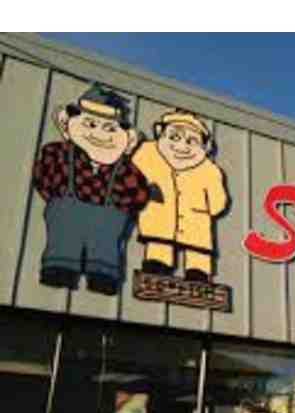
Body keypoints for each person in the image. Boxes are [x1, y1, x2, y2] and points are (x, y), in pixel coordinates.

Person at [33, 84, 150, 295]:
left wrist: (122, 207)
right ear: (66, 123)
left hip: (107, 233)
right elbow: (43, 179)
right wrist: (56, 198)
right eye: (91, 124)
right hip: (65, 224)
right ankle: (59, 270)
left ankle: (102, 277)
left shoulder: (125, 169)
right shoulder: (57, 153)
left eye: (110, 128)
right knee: (62, 254)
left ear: (129, 139)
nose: (99, 134)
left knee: (104, 260)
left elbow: (138, 196)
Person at [132, 109, 229, 282]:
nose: (182, 146)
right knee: (159, 248)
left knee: (197, 256)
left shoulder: (209, 170)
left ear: (204, 146)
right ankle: (158, 273)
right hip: (160, 219)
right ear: (160, 133)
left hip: (195, 224)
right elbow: (134, 178)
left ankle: (197, 277)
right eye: (175, 137)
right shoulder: (147, 152)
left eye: (191, 141)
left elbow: (217, 203)